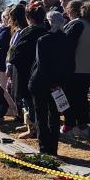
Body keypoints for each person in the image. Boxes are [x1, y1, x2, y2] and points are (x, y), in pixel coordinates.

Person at [29, 11, 74, 156]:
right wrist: (59, 82)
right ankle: (53, 149)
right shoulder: (67, 39)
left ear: (48, 22)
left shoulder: (43, 40)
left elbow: (41, 65)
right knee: (54, 116)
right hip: (58, 84)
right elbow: (71, 65)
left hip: (41, 82)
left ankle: (44, 148)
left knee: (41, 116)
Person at [60, 0, 90, 141]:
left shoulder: (76, 24)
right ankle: (83, 127)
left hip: (75, 69)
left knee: (70, 100)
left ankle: (69, 127)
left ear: (71, 11)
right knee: (82, 99)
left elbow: (66, 47)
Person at [8, 3, 50, 140]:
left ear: (29, 18)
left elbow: (16, 54)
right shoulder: (47, 30)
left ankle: (33, 128)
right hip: (42, 72)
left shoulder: (29, 33)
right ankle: (29, 125)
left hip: (27, 73)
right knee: (34, 102)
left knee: (29, 102)